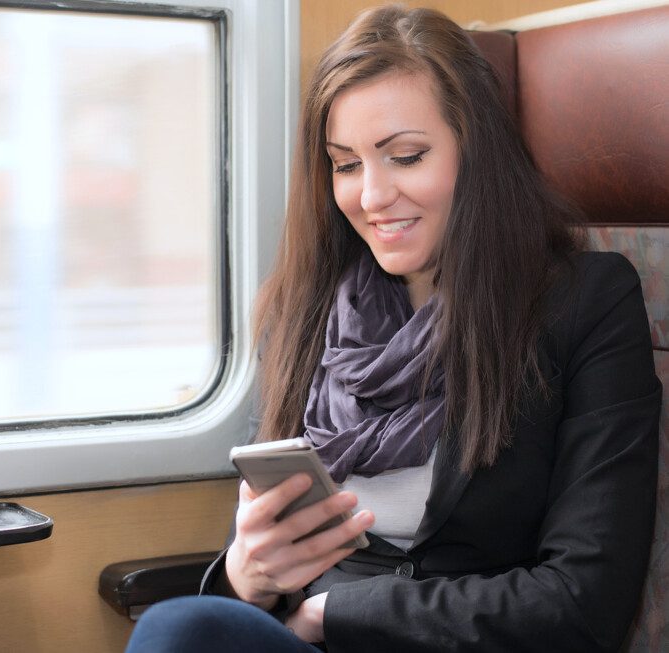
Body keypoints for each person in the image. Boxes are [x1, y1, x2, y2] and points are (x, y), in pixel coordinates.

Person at [125, 4, 660, 653]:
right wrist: (247, 574)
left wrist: (335, 611)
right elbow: (256, 587)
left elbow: (584, 603)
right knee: (183, 626)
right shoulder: (306, 308)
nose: (371, 196)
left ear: (477, 150)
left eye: (405, 156)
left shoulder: (584, 301)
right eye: (345, 164)